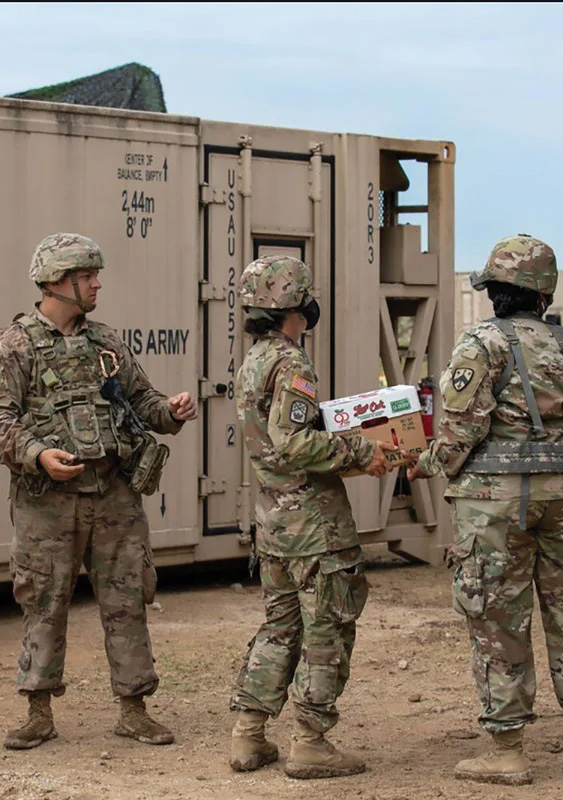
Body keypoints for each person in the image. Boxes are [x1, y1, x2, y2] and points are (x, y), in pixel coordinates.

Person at [408, 234, 563, 786]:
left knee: (496, 615)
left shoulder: (480, 345)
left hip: (496, 504)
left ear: (494, 291)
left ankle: (507, 750)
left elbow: (463, 428)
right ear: (544, 293)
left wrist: (427, 463)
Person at [0, 232, 196, 751]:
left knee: (128, 598)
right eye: (88, 276)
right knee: (44, 601)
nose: (97, 284)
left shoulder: (107, 343)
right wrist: (38, 456)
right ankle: (38, 710)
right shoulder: (14, 347)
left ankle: (134, 707)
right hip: (47, 502)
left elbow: (143, 401)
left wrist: (172, 410)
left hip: (115, 495)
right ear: (58, 282)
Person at [227, 254, 398, 780]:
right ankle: (310, 742)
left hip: (274, 524)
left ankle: (249, 736)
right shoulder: (292, 362)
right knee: (327, 628)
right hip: (314, 527)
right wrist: (361, 453)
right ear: (295, 306)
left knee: (280, 628)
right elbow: (295, 442)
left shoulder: (253, 360)